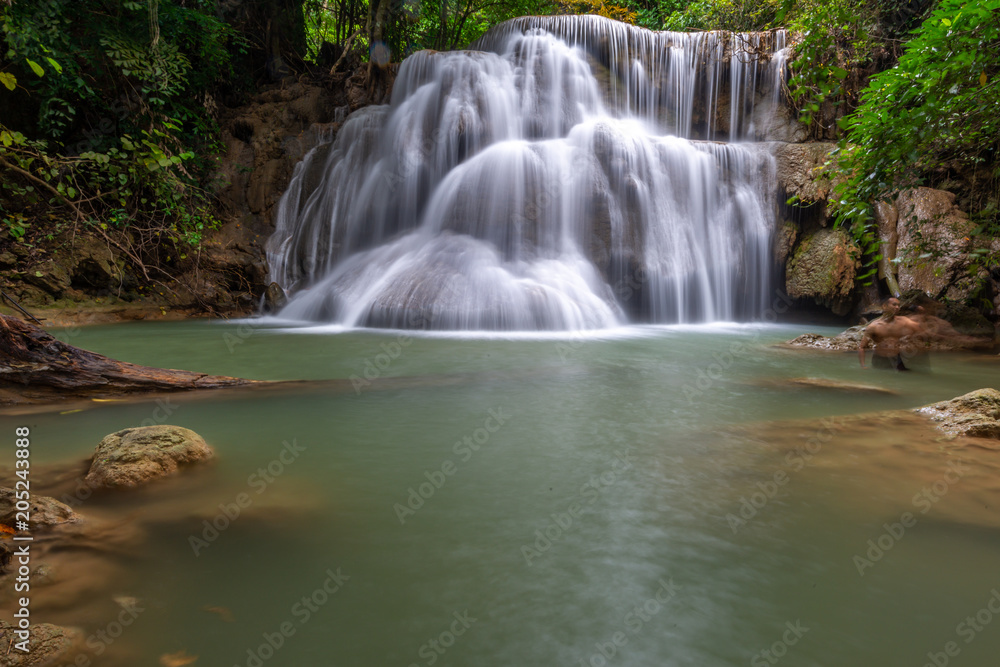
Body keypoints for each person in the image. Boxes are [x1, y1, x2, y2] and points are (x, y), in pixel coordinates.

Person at [858, 297, 922, 370]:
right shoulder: (873, 326)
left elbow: (919, 328)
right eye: (894, 305)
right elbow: (862, 347)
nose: (897, 307)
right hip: (880, 359)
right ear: (884, 306)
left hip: (897, 358)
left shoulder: (903, 321)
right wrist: (863, 365)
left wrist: (921, 313)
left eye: (898, 305)